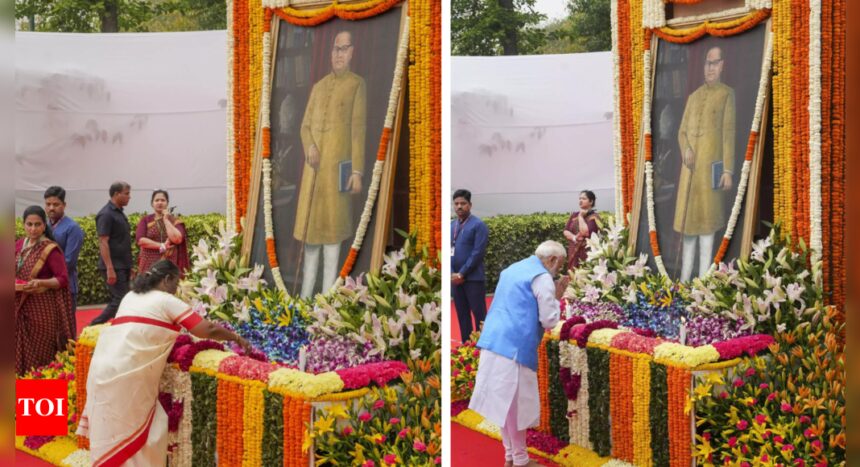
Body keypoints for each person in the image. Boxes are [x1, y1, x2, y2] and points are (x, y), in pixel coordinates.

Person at [76, 260, 250, 466]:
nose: (176, 289)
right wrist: (236, 338)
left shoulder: (130, 296)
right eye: (176, 283)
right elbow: (207, 330)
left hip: (102, 369)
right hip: (127, 377)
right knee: (142, 438)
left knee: (116, 433)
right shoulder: (167, 301)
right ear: (167, 280)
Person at [469, 241, 568, 467]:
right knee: (516, 407)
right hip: (514, 348)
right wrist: (557, 298)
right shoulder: (542, 277)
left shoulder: (513, 268)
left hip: (493, 341)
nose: (557, 271)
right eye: (559, 264)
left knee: (504, 404)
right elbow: (549, 320)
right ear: (552, 259)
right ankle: (520, 460)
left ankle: (511, 456)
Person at [294, 30, 367, 298]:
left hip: (338, 170)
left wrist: (357, 171)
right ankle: (305, 295)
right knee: (311, 237)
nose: (338, 54)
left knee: (333, 236)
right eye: (335, 49)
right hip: (314, 174)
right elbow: (304, 127)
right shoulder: (319, 86)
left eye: (343, 48)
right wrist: (310, 145)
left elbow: (358, 131)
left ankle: (327, 297)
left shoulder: (357, 85)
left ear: (351, 52)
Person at [673, 45, 736, 281]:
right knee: (689, 229)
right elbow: (681, 132)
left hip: (712, 170)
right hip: (690, 173)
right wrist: (686, 148)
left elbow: (728, 135)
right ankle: (684, 280)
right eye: (707, 63)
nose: (709, 68)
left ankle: (704, 282)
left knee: (707, 228)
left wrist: (728, 170)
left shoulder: (726, 94)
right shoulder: (693, 96)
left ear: (722, 65)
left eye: (714, 63)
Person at [15, 205, 75, 374]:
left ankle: (41, 395)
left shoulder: (50, 249)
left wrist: (41, 283)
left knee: (40, 353)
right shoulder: (19, 245)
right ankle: (19, 392)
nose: (33, 229)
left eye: (37, 224)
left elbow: (62, 279)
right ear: (23, 224)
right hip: (18, 306)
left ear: (44, 225)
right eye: (29, 224)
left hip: (42, 310)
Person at [90, 181, 133, 325]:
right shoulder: (106, 214)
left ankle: (119, 328)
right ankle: (93, 326)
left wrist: (129, 266)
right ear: (116, 194)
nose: (129, 197)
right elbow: (103, 242)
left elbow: (122, 242)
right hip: (113, 266)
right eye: (126, 194)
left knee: (125, 300)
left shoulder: (119, 213)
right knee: (119, 299)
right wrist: (109, 268)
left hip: (122, 265)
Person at [451, 189, 489, 342]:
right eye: (456, 204)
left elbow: (478, 253)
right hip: (455, 280)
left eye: (463, 203)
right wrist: (452, 273)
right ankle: (466, 347)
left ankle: (483, 346)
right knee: (462, 314)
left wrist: (462, 273)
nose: (459, 206)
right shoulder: (451, 225)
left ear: (470, 205)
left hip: (473, 279)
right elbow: (447, 251)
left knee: (479, 315)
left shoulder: (478, 225)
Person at [44, 185, 84, 329]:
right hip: (46, 286)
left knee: (66, 327)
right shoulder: (45, 225)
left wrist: (46, 277)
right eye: (48, 204)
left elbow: (69, 262)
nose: (51, 208)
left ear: (64, 205)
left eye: (56, 204)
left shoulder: (73, 228)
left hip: (66, 286)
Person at [136, 190, 189, 276]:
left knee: (167, 287)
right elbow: (140, 240)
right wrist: (162, 245)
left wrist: (166, 220)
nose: (160, 203)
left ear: (167, 203)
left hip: (168, 264)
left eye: (163, 200)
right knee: (148, 288)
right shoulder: (145, 220)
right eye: (157, 200)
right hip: (148, 264)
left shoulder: (174, 221)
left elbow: (177, 239)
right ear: (152, 203)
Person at [563, 190, 600, 270]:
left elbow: (585, 233)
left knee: (584, 275)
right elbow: (566, 231)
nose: (580, 200)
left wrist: (580, 217)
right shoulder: (574, 215)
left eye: (583, 198)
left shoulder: (594, 217)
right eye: (580, 198)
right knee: (572, 275)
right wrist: (574, 237)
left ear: (591, 201)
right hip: (573, 250)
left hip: (586, 252)